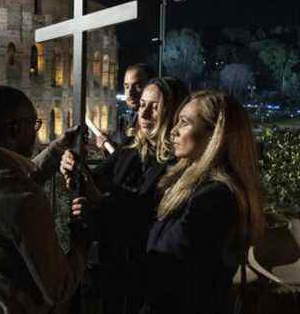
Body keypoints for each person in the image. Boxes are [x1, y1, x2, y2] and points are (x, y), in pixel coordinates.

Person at [82, 91, 266, 313]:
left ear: (215, 134)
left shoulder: (214, 198)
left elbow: (168, 268)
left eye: (185, 122)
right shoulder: (193, 186)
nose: (174, 131)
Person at [0, 86, 86, 313]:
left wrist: (57, 149)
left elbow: (7, 183)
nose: (36, 133)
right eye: (34, 125)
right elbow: (59, 287)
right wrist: (82, 238)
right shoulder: (24, 200)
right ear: (15, 128)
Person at [61, 77, 189, 314]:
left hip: (145, 270)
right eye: (142, 105)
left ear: (173, 113)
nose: (145, 114)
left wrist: (100, 201)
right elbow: (98, 177)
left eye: (154, 107)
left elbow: (151, 212)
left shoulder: (179, 163)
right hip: (113, 260)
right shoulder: (131, 147)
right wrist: (73, 166)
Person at [95, 63, 154, 152]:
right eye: (126, 86)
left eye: (138, 86)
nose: (129, 93)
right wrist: (108, 145)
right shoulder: (125, 122)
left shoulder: (154, 125)